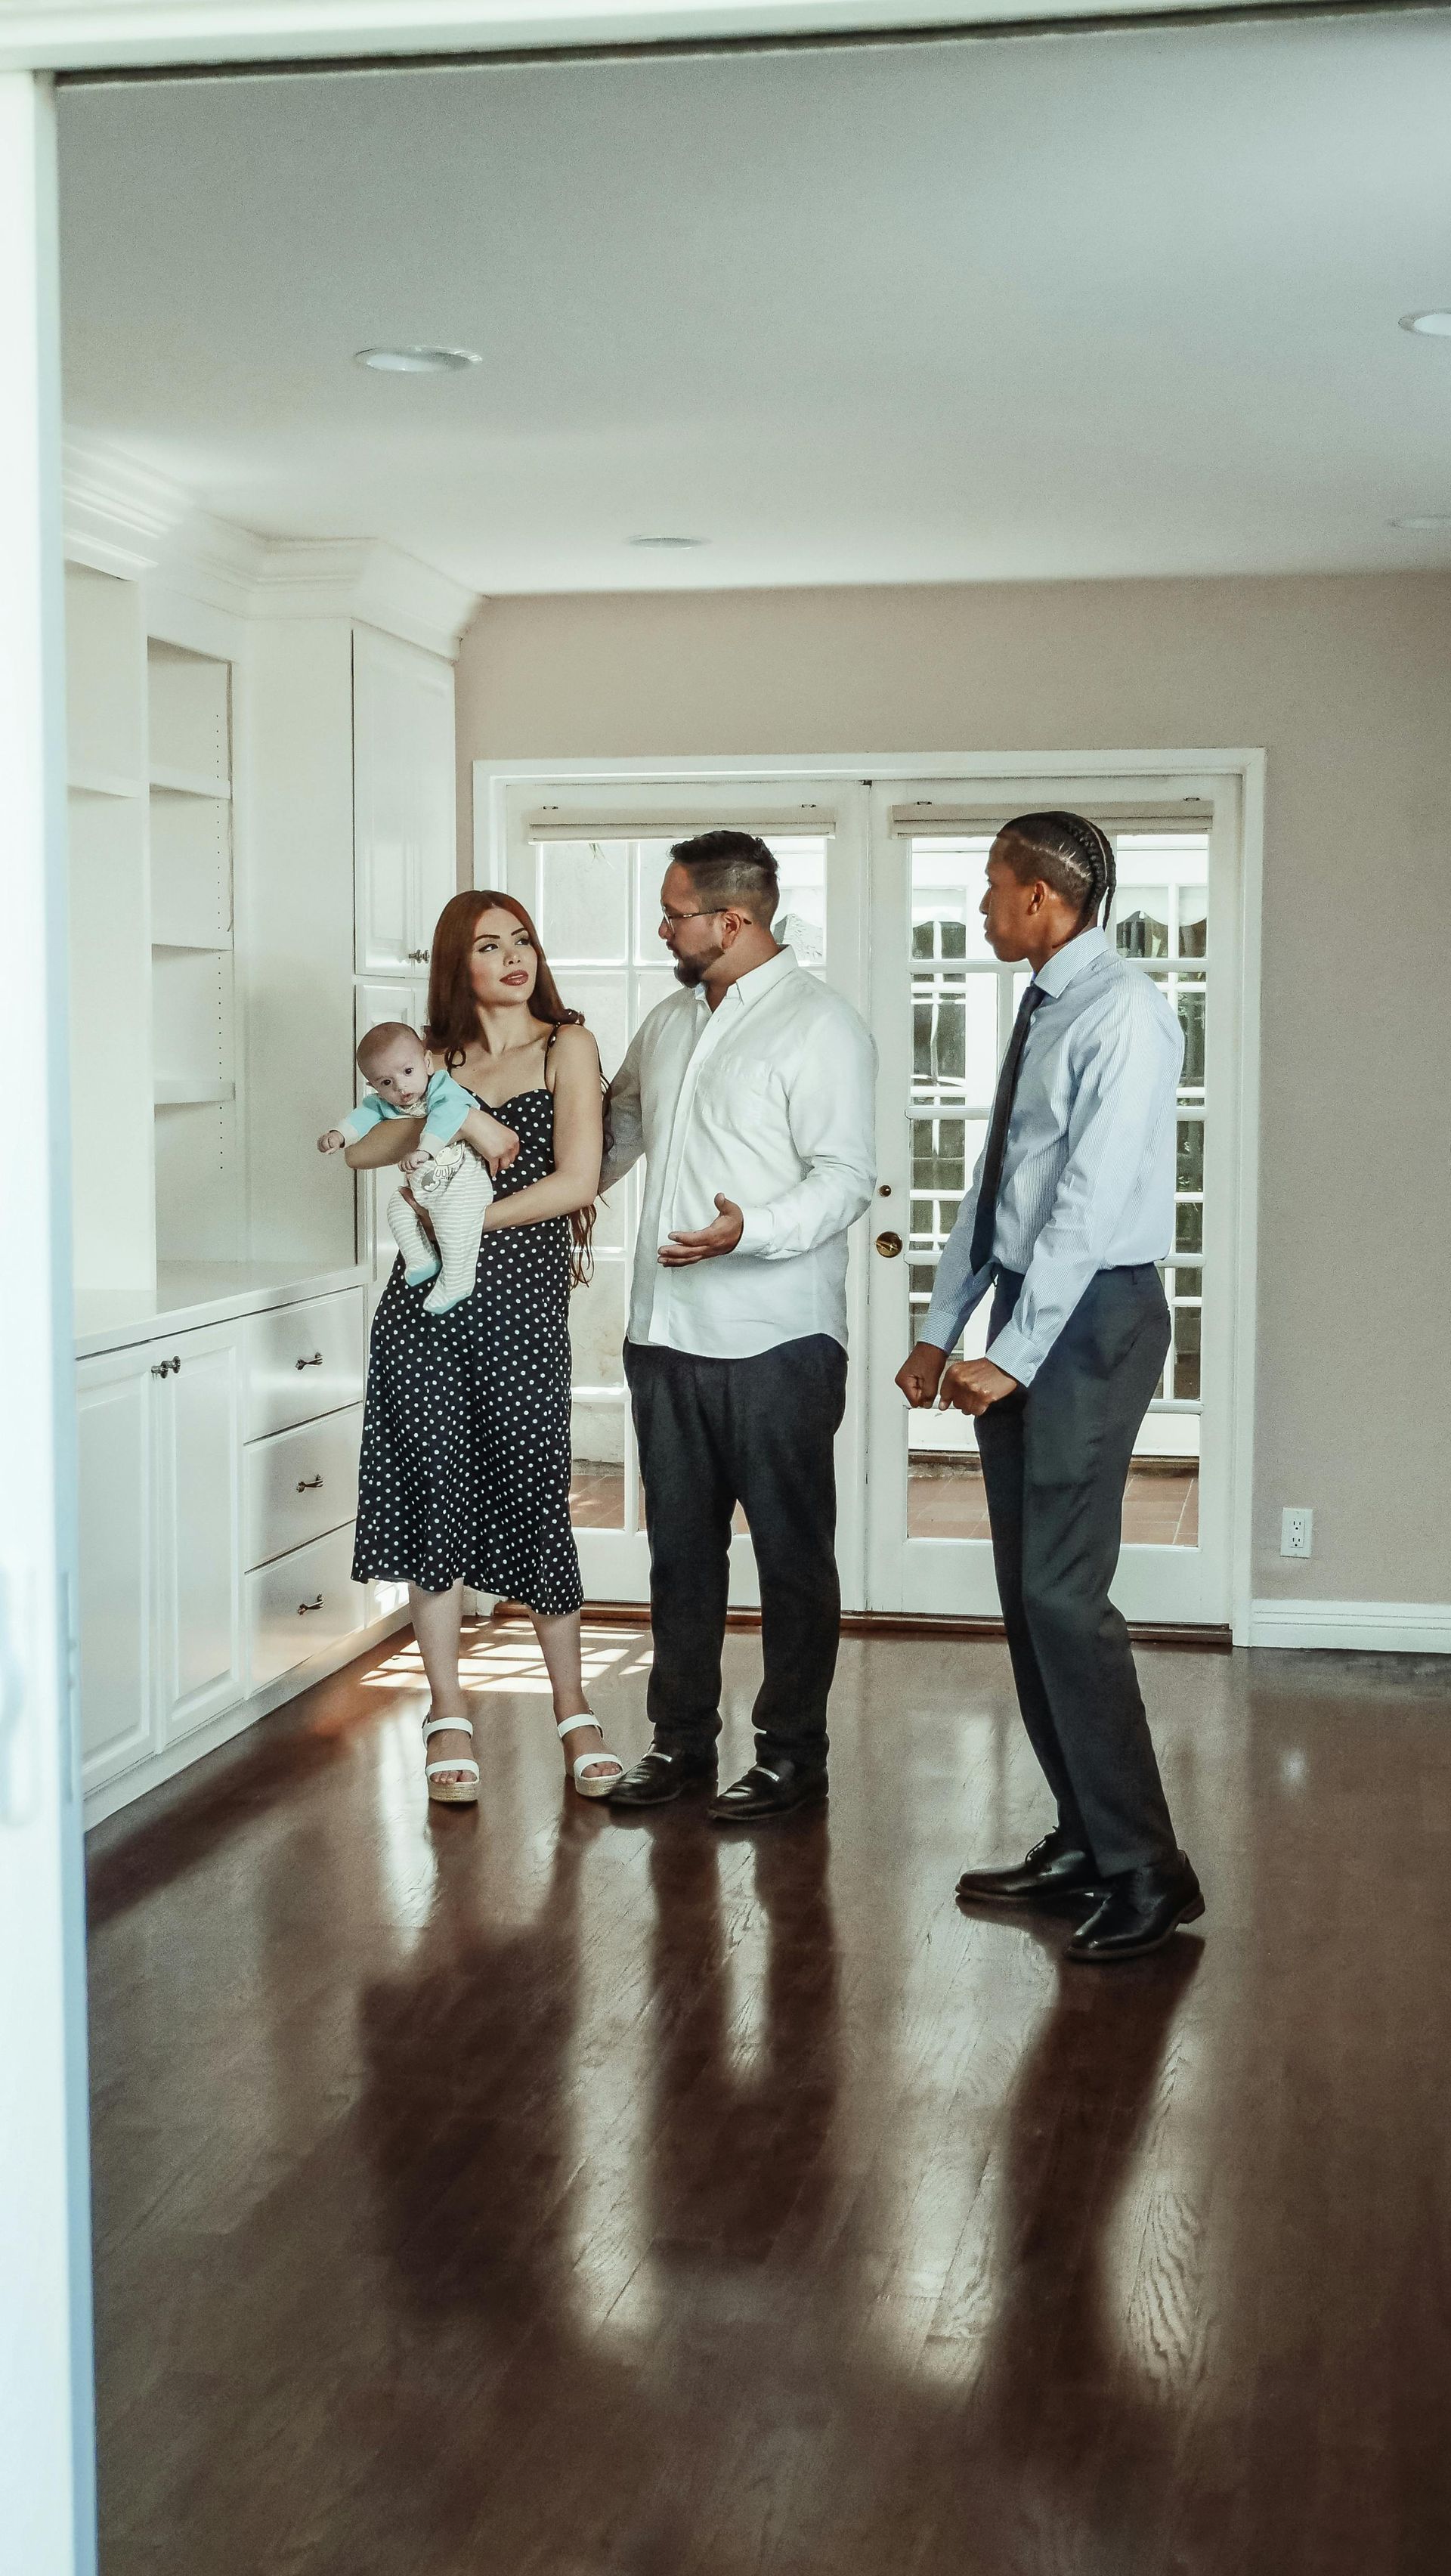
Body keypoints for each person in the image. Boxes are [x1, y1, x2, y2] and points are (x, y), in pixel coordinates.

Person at [896, 812, 1202, 1962]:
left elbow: (1087, 1201)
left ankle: (1148, 1870)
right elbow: (999, 1189)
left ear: (1042, 899)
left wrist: (1014, 1353)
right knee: (1032, 1598)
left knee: (1068, 1598)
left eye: (991, 887)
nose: (980, 908)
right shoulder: (1042, 1006)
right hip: (1033, 1310)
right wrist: (941, 1327)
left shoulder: (1125, 1009)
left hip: (1093, 1321)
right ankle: (1082, 1838)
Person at [602, 830, 877, 1822]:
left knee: (792, 1560)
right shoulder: (669, 1021)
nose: (663, 927)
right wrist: (543, 1194)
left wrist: (747, 1232)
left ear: (736, 920)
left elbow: (845, 1179)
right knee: (680, 1557)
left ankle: (793, 1757)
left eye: (675, 912)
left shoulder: (822, 1028)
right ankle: (679, 1747)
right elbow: (619, 1127)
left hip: (777, 1341)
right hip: (663, 1337)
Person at [345, 890, 624, 1808]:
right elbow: (367, 1153)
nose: (514, 957)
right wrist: (421, 1106)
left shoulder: (565, 1046)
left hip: (518, 1308)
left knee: (533, 1489)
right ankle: (447, 1711)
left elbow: (577, 1180)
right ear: (454, 969)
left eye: (523, 940)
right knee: (433, 1495)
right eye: (487, 947)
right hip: (422, 1309)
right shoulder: (435, 1060)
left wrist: (467, 1222)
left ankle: (574, 1710)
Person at [319, 1019, 517, 1313]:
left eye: (407, 1072)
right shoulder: (383, 1104)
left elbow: (452, 1116)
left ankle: (457, 1279)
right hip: (427, 1186)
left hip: (461, 1181)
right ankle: (420, 1257)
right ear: (373, 1085)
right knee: (398, 1207)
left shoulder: (441, 1088)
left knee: (450, 1218)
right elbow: (361, 1119)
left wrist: (425, 1149)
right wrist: (339, 1135)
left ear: (426, 1063)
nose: (400, 1087)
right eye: (386, 1082)